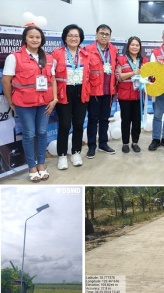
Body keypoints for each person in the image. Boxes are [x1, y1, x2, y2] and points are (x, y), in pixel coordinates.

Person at [2, 26, 57, 182]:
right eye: (31, 37)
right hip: (24, 103)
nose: (35, 40)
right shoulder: (14, 57)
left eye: (38, 37)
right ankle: (31, 167)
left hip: (45, 103)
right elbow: (6, 81)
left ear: (42, 39)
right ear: (25, 38)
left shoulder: (49, 58)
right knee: (29, 134)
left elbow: (52, 80)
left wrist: (54, 99)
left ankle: (41, 164)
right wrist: (11, 101)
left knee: (41, 132)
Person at [52, 24, 90, 170]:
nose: (73, 38)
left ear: (80, 38)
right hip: (64, 92)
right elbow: (52, 76)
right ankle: (62, 155)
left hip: (82, 91)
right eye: (70, 35)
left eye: (76, 36)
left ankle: (76, 153)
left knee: (79, 124)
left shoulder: (86, 54)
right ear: (65, 38)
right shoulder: (57, 53)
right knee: (65, 125)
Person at [85, 24, 118, 158]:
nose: (104, 36)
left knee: (105, 119)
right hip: (93, 91)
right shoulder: (88, 49)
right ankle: (92, 146)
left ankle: (103, 143)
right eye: (102, 33)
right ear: (96, 34)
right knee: (93, 119)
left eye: (107, 34)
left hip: (108, 91)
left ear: (110, 36)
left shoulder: (114, 50)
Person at [115, 36, 148, 153]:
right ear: (128, 46)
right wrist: (132, 72)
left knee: (137, 120)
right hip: (124, 95)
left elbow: (148, 77)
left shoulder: (144, 61)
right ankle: (125, 143)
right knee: (126, 120)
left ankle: (135, 142)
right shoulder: (121, 59)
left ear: (140, 47)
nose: (135, 47)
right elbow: (118, 76)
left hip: (139, 95)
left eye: (137, 45)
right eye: (132, 45)